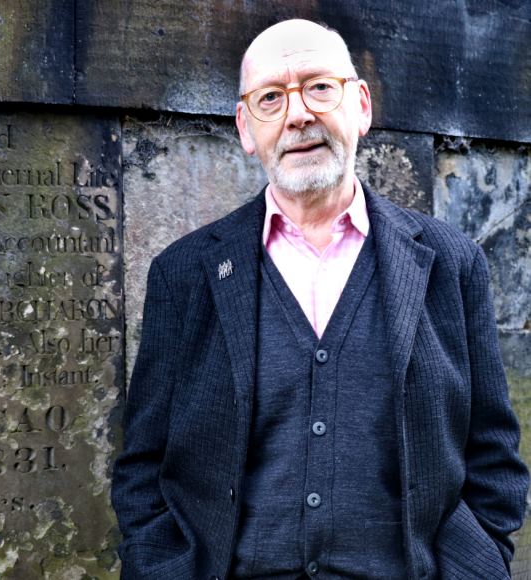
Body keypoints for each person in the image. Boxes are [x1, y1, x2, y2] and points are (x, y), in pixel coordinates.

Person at [111, 19, 529, 580]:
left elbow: (493, 453)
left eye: (319, 87)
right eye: (271, 98)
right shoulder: (185, 274)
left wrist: (477, 565)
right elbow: (144, 468)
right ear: (244, 126)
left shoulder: (452, 264)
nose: (298, 113)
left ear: (360, 105)